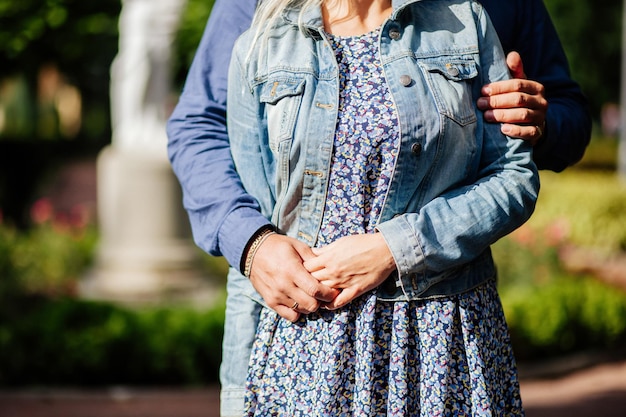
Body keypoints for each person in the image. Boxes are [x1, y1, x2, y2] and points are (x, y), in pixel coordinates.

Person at [166, 0, 589, 415]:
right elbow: (204, 129)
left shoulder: (470, 18)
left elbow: (530, 154)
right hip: (304, 343)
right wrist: (252, 242)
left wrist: (538, 120)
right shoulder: (259, 35)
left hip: (439, 339)